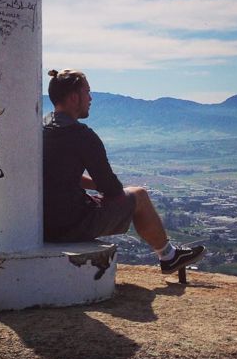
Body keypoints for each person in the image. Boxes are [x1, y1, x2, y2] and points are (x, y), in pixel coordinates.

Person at [42, 68, 204, 275]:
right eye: (87, 92)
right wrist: (116, 191)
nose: (90, 98)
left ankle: (169, 255)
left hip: (43, 223)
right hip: (71, 224)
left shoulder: (42, 128)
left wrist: (94, 186)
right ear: (74, 98)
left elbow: (59, 175)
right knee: (139, 195)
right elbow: (111, 189)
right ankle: (169, 256)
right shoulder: (82, 136)